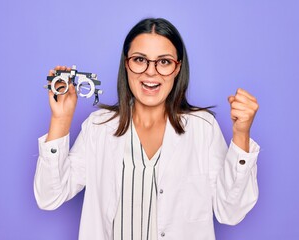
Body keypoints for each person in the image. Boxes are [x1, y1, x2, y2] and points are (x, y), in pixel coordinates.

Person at [34, 18, 260, 240]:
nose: (151, 72)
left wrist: (241, 135)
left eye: (163, 62)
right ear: (126, 63)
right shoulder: (98, 128)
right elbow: (49, 197)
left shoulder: (203, 129)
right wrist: (61, 119)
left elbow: (231, 212)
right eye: (140, 59)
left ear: (177, 68)